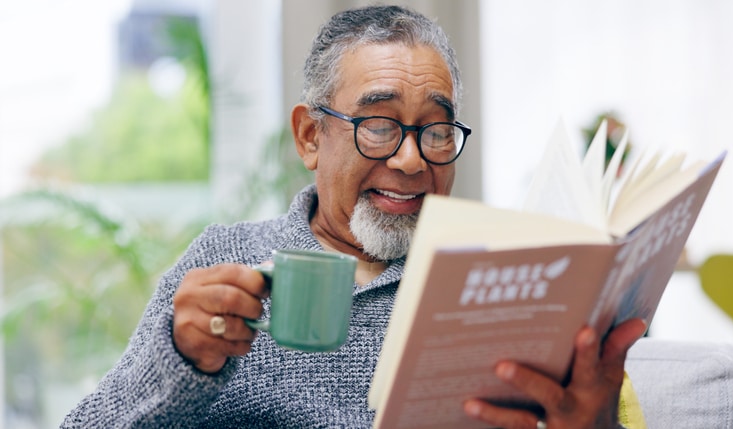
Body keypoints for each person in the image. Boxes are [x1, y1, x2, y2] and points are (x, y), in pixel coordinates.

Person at [62, 5, 646, 429]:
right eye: (380, 126)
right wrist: (181, 359)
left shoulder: (510, 279)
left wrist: (593, 425)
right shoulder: (224, 260)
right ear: (311, 136)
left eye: (436, 131)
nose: (412, 159)